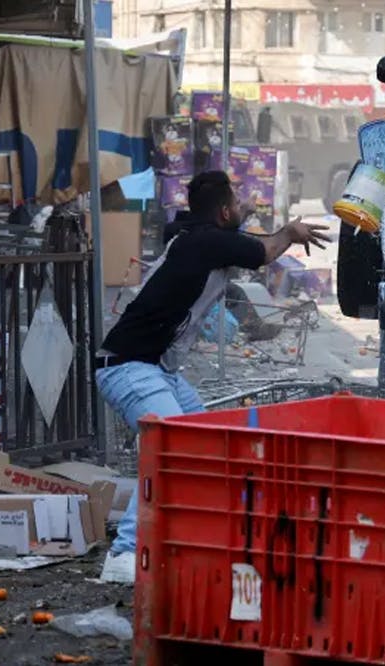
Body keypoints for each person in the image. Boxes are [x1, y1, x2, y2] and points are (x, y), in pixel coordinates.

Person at [95, 170, 330, 584]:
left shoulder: (197, 235)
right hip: (129, 367)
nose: (242, 204)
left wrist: (249, 215)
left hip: (155, 369)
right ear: (223, 212)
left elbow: (244, 238)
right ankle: (124, 553)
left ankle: (187, 539)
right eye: (236, 200)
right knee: (172, 445)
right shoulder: (205, 241)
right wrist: (289, 233)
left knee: (208, 442)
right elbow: (265, 250)